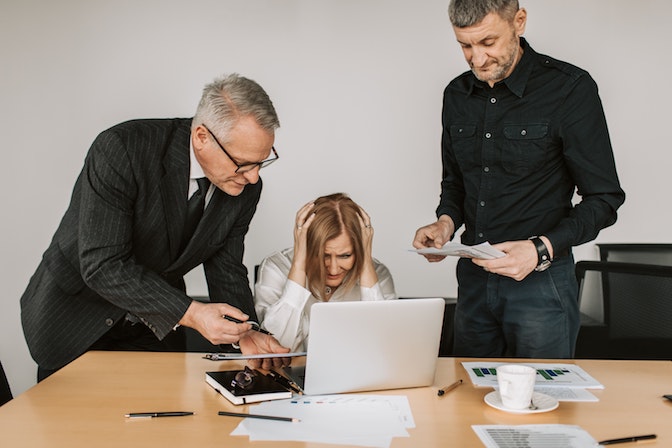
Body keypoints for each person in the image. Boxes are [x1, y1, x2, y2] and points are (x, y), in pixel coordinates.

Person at [21, 73, 289, 380]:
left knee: (161, 420)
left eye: (262, 162)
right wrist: (192, 313)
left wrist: (246, 333)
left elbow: (226, 268)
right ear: (202, 137)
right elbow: (102, 264)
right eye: (243, 163)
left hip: (155, 329)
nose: (254, 177)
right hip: (74, 317)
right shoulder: (122, 148)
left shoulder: (244, 188)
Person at [412, 0, 625, 359]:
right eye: (466, 46)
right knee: (467, 400)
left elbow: (604, 199)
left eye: (488, 43)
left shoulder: (571, 89)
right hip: (475, 283)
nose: (477, 59)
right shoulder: (456, 94)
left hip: (541, 285)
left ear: (519, 22)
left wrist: (540, 249)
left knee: (543, 403)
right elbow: (456, 182)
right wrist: (446, 223)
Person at [255, 193, 397, 351]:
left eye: (345, 255)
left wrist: (365, 264)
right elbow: (276, 349)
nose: (334, 268)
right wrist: (299, 265)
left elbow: (385, 349)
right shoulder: (277, 267)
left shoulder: (378, 274)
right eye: (324, 255)